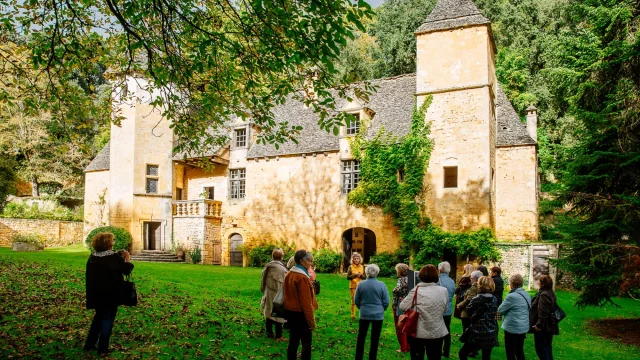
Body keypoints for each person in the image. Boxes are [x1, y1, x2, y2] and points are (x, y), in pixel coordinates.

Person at [84, 232, 134, 355]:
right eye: (112, 241)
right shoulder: (112, 258)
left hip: (96, 294)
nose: (113, 243)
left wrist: (117, 255)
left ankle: (89, 345)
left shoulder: (93, 257)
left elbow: (106, 265)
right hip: (111, 294)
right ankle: (103, 348)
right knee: (107, 319)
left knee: (98, 318)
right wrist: (127, 259)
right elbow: (126, 270)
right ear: (108, 244)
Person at [400, 264, 449, 360]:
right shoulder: (443, 291)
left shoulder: (416, 290)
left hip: (418, 332)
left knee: (417, 356)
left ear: (421, 276)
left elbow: (403, 306)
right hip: (437, 331)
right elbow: (445, 309)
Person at [283, 250, 318, 360]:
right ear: (301, 261)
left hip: (290, 312)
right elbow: (305, 302)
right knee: (306, 342)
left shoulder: (290, 273)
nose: (310, 263)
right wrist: (311, 320)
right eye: (308, 261)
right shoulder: (301, 277)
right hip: (300, 314)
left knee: (293, 340)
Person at [354, 264, 390, 360]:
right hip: (378, 315)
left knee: (361, 337)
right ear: (377, 273)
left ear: (366, 273)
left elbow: (356, 300)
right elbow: (386, 301)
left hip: (364, 314)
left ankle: (358, 357)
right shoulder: (382, 285)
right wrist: (382, 309)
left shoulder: (361, 284)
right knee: (375, 338)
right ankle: (372, 357)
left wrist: (361, 308)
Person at [458, 276, 499, 360]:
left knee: (462, 353)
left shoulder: (476, 299)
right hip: (491, 332)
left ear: (480, 285)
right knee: (486, 357)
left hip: (478, 333)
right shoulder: (494, 299)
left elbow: (469, 312)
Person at [498, 274, 531, 360]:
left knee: (510, 351)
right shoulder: (526, 294)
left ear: (512, 284)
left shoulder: (512, 296)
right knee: (519, 350)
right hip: (523, 326)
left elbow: (500, 310)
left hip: (512, 328)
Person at [260, 248, 288, 341]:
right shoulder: (282, 269)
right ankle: (279, 336)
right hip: (278, 294)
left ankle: (269, 332)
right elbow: (286, 284)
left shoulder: (267, 266)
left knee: (269, 313)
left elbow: (262, 280)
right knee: (278, 315)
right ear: (281, 257)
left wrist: (263, 291)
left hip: (268, 293)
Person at [530, 275, 559, 360]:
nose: (538, 282)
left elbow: (543, 312)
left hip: (543, 327)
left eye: (539, 281)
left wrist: (539, 326)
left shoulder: (544, 295)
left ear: (542, 283)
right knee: (547, 347)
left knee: (541, 349)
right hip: (549, 325)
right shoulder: (550, 292)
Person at [437, 262, 456, 358]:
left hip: (439, 309)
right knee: (447, 330)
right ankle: (446, 351)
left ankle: (439, 350)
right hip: (448, 309)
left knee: (438, 331)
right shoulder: (452, 281)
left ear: (439, 269)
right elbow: (452, 294)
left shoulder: (437, 279)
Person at [392, 263, 410, 353]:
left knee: (400, 326)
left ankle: (403, 347)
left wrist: (394, 290)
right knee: (408, 326)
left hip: (400, 304)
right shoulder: (411, 279)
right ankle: (408, 346)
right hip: (409, 304)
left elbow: (398, 289)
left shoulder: (401, 279)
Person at [347, 252, 366, 320]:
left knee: (362, 301)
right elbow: (348, 277)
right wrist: (355, 275)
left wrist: (361, 275)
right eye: (354, 259)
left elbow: (365, 277)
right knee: (354, 301)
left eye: (357, 258)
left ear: (360, 259)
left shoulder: (362, 267)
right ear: (352, 260)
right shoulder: (350, 267)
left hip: (361, 286)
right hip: (353, 286)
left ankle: (362, 314)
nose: (356, 260)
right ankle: (353, 315)